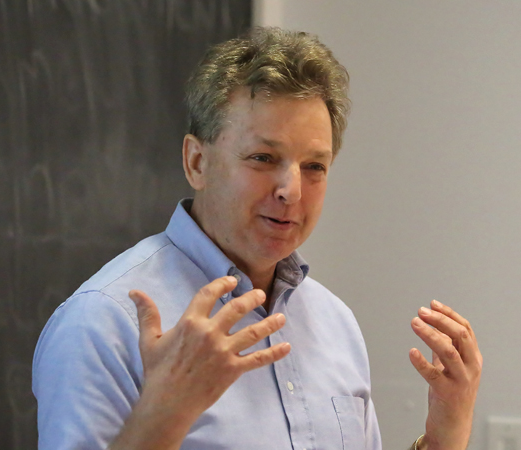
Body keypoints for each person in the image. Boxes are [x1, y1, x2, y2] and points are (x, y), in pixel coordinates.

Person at [32, 27, 482, 450]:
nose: (291, 189)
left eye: (314, 166)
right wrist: (163, 417)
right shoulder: (103, 323)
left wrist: (442, 438)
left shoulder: (335, 323)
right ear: (196, 162)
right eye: (263, 157)